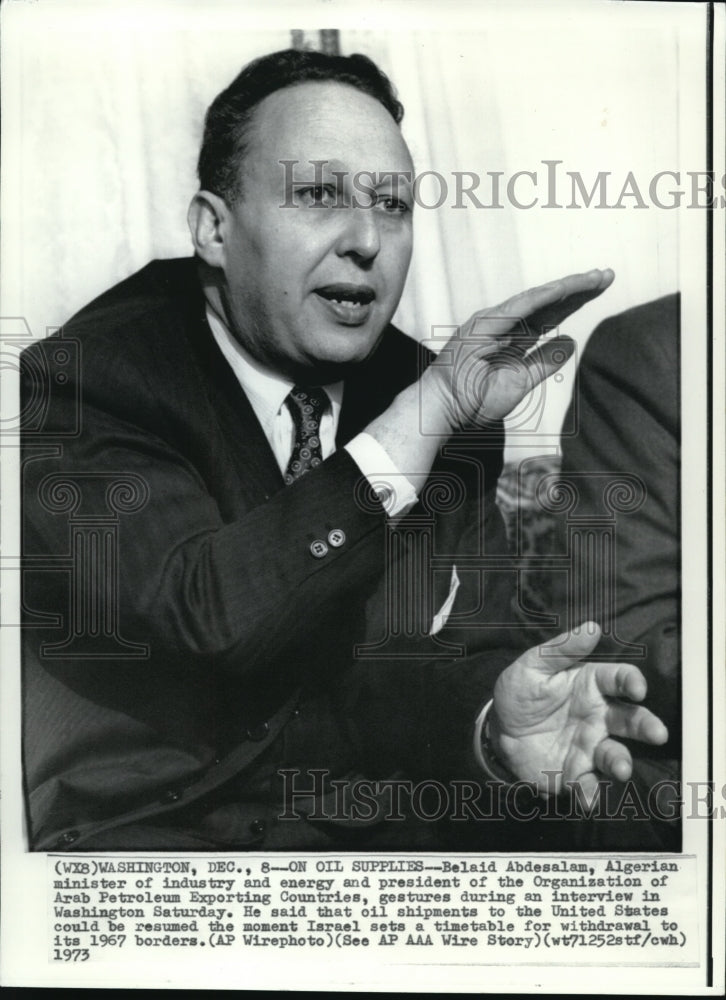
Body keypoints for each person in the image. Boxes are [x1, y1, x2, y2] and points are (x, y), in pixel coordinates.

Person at [20, 48, 668, 851]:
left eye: (392, 205)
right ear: (213, 228)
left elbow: (461, 649)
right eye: (319, 194)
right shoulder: (89, 377)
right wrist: (422, 416)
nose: (367, 239)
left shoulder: (435, 395)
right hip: (164, 837)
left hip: (385, 835)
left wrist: (494, 727)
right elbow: (206, 615)